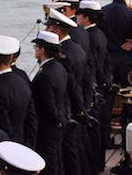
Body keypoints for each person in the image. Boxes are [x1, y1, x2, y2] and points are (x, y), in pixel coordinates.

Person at [44, 9, 89, 175]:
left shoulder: (62, 56)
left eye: (48, 29)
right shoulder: (77, 49)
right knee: (75, 151)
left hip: (66, 109)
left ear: (56, 31)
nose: (45, 31)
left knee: (69, 155)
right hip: (76, 105)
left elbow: (69, 85)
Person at [76, 0, 110, 173]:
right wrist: (106, 81)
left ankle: (94, 166)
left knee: (93, 130)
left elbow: (94, 64)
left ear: (86, 18)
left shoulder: (89, 37)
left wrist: (97, 81)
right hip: (100, 86)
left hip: (93, 87)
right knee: (100, 127)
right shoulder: (101, 34)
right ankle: (100, 162)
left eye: (79, 15)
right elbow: (107, 61)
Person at [0, 34, 37, 148]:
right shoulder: (22, 82)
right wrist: (29, 145)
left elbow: (3, 125)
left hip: (9, 147)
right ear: (12, 58)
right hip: (24, 142)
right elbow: (32, 119)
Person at [30, 31, 67, 175]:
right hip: (57, 125)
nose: (35, 50)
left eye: (36, 47)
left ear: (42, 50)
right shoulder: (59, 68)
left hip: (47, 128)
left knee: (49, 165)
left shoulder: (45, 75)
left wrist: (57, 120)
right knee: (57, 162)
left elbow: (49, 106)